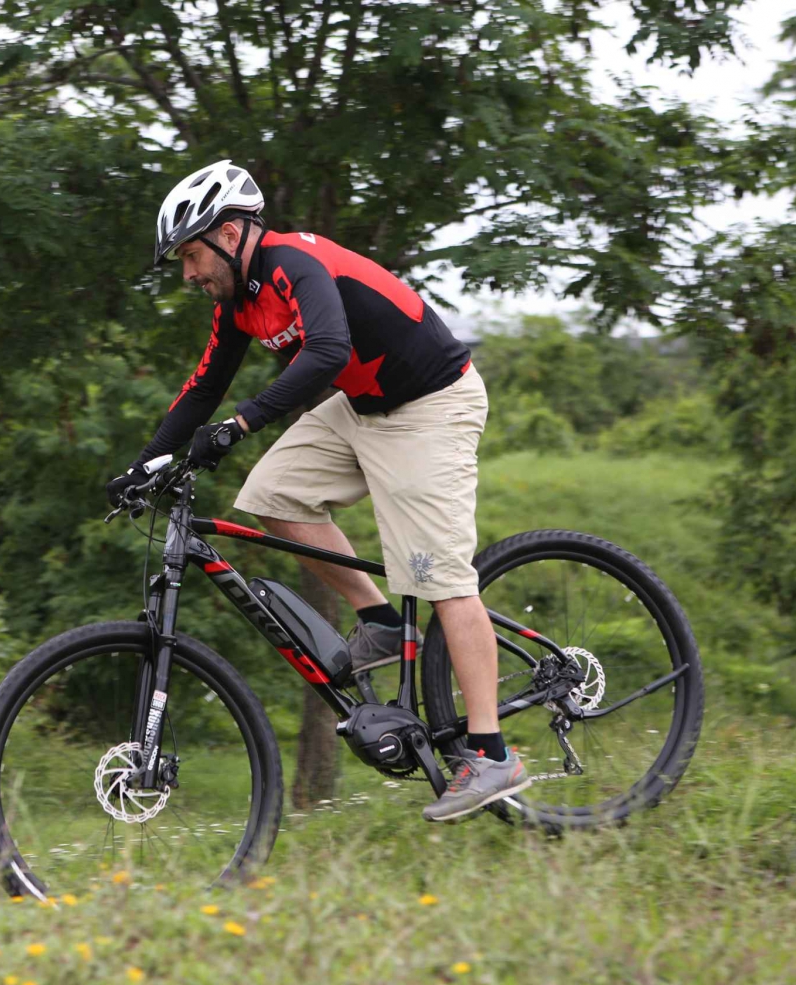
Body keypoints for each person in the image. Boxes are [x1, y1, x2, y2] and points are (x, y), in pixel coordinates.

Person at [107, 160, 530, 821]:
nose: (188, 274)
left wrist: (242, 424)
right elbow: (204, 388)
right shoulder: (239, 304)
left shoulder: (291, 262)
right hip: (364, 408)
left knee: (439, 575)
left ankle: (491, 752)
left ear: (231, 232)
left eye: (192, 254)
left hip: (431, 403)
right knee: (272, 494)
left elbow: (327, 350)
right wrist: (145, 464)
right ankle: (382, 622)